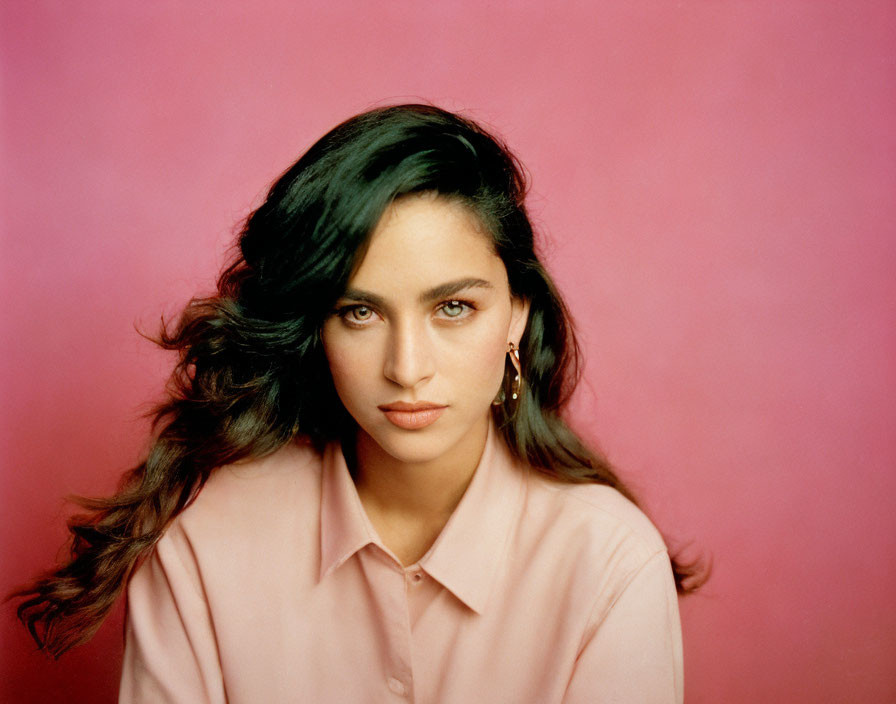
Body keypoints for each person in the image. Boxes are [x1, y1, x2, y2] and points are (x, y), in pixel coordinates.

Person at [14, 104, 706, 702]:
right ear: (314, 326)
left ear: (517, 315)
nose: (407, 369)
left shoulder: (610, 563)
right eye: (359, 313)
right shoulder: (206, 541)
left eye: (454, 307)